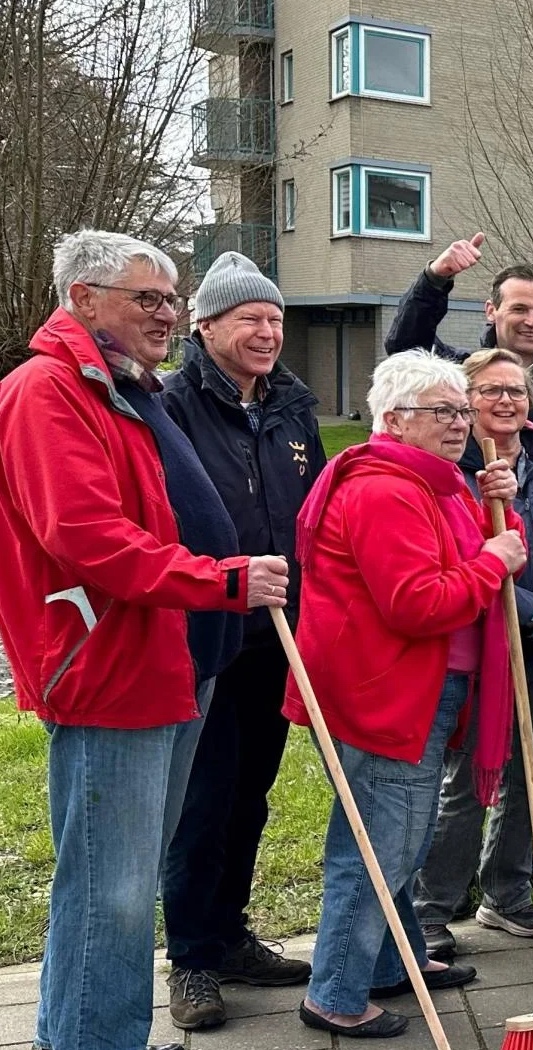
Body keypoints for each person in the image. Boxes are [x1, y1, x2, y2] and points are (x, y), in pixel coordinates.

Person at [0, 230, 289, 1050]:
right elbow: (85, 536)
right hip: (110, 669)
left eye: (172, 297)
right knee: (110, 891)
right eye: (148, 298)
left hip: (172, 660)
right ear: (83, 300)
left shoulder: (126, 388)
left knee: (117, 883)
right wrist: (221, 581)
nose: (169, 313)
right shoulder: (48, 392)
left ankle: (89, 1035)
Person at [289, 351, 526, 1037]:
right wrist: (490, 559)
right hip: (382, 691)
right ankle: (333, 992)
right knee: (378, 844)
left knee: (404, 834)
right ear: (393, 420)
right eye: (442, 411)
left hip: (415, 688)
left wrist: (496, 515)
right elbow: (416, 602)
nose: (461, 423)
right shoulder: (385, 490)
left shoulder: (437, 483)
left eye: (462, 409)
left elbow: (500, 559)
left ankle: (393, 961)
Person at [160, 251, 325, 1031]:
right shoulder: (170, 402)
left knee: (250, 794)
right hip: (205, 631)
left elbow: (317, 507)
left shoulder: (292, 405)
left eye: (275, 319)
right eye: (249, 318)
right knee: (204, 798)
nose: (267, 332)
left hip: (280, 632)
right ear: (206, 326)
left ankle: (229, 934)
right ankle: (191, 957)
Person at [415, 349, 533, 955]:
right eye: (490, 391)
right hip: (477, 646)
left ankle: (508, 892)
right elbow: (463, 557)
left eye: (515, 392)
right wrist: (522, 610)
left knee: (531, 773)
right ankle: (433, 904)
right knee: (470, 776)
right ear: (466, 402)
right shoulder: (449, 470)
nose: (504, 402)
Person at [383, 232, 533, 519]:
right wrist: (434, 280)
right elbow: (405, 348)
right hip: (470, 547)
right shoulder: (458, 376)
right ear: (492, 311)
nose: (532, 321)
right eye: (519, 309)